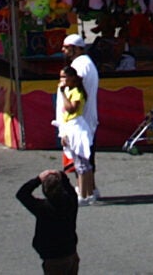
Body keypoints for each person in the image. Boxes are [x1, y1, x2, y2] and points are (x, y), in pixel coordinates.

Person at [16, 167, 81, 275]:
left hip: (52, 257)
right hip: (70, 252)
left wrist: (38, 179)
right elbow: (71, 191)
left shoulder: (42, 208)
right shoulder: (71, 202)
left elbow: (22, 194)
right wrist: (62, 175)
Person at [63, 35, 100, 202]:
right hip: (85, 119)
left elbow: (75, 102)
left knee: (82, 160)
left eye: (67, 47)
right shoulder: (85, 63)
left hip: (80, 120)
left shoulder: (80, 66)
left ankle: (84, 193)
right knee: (87, 157)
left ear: (77, 48)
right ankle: (91, 190)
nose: (63, 50)